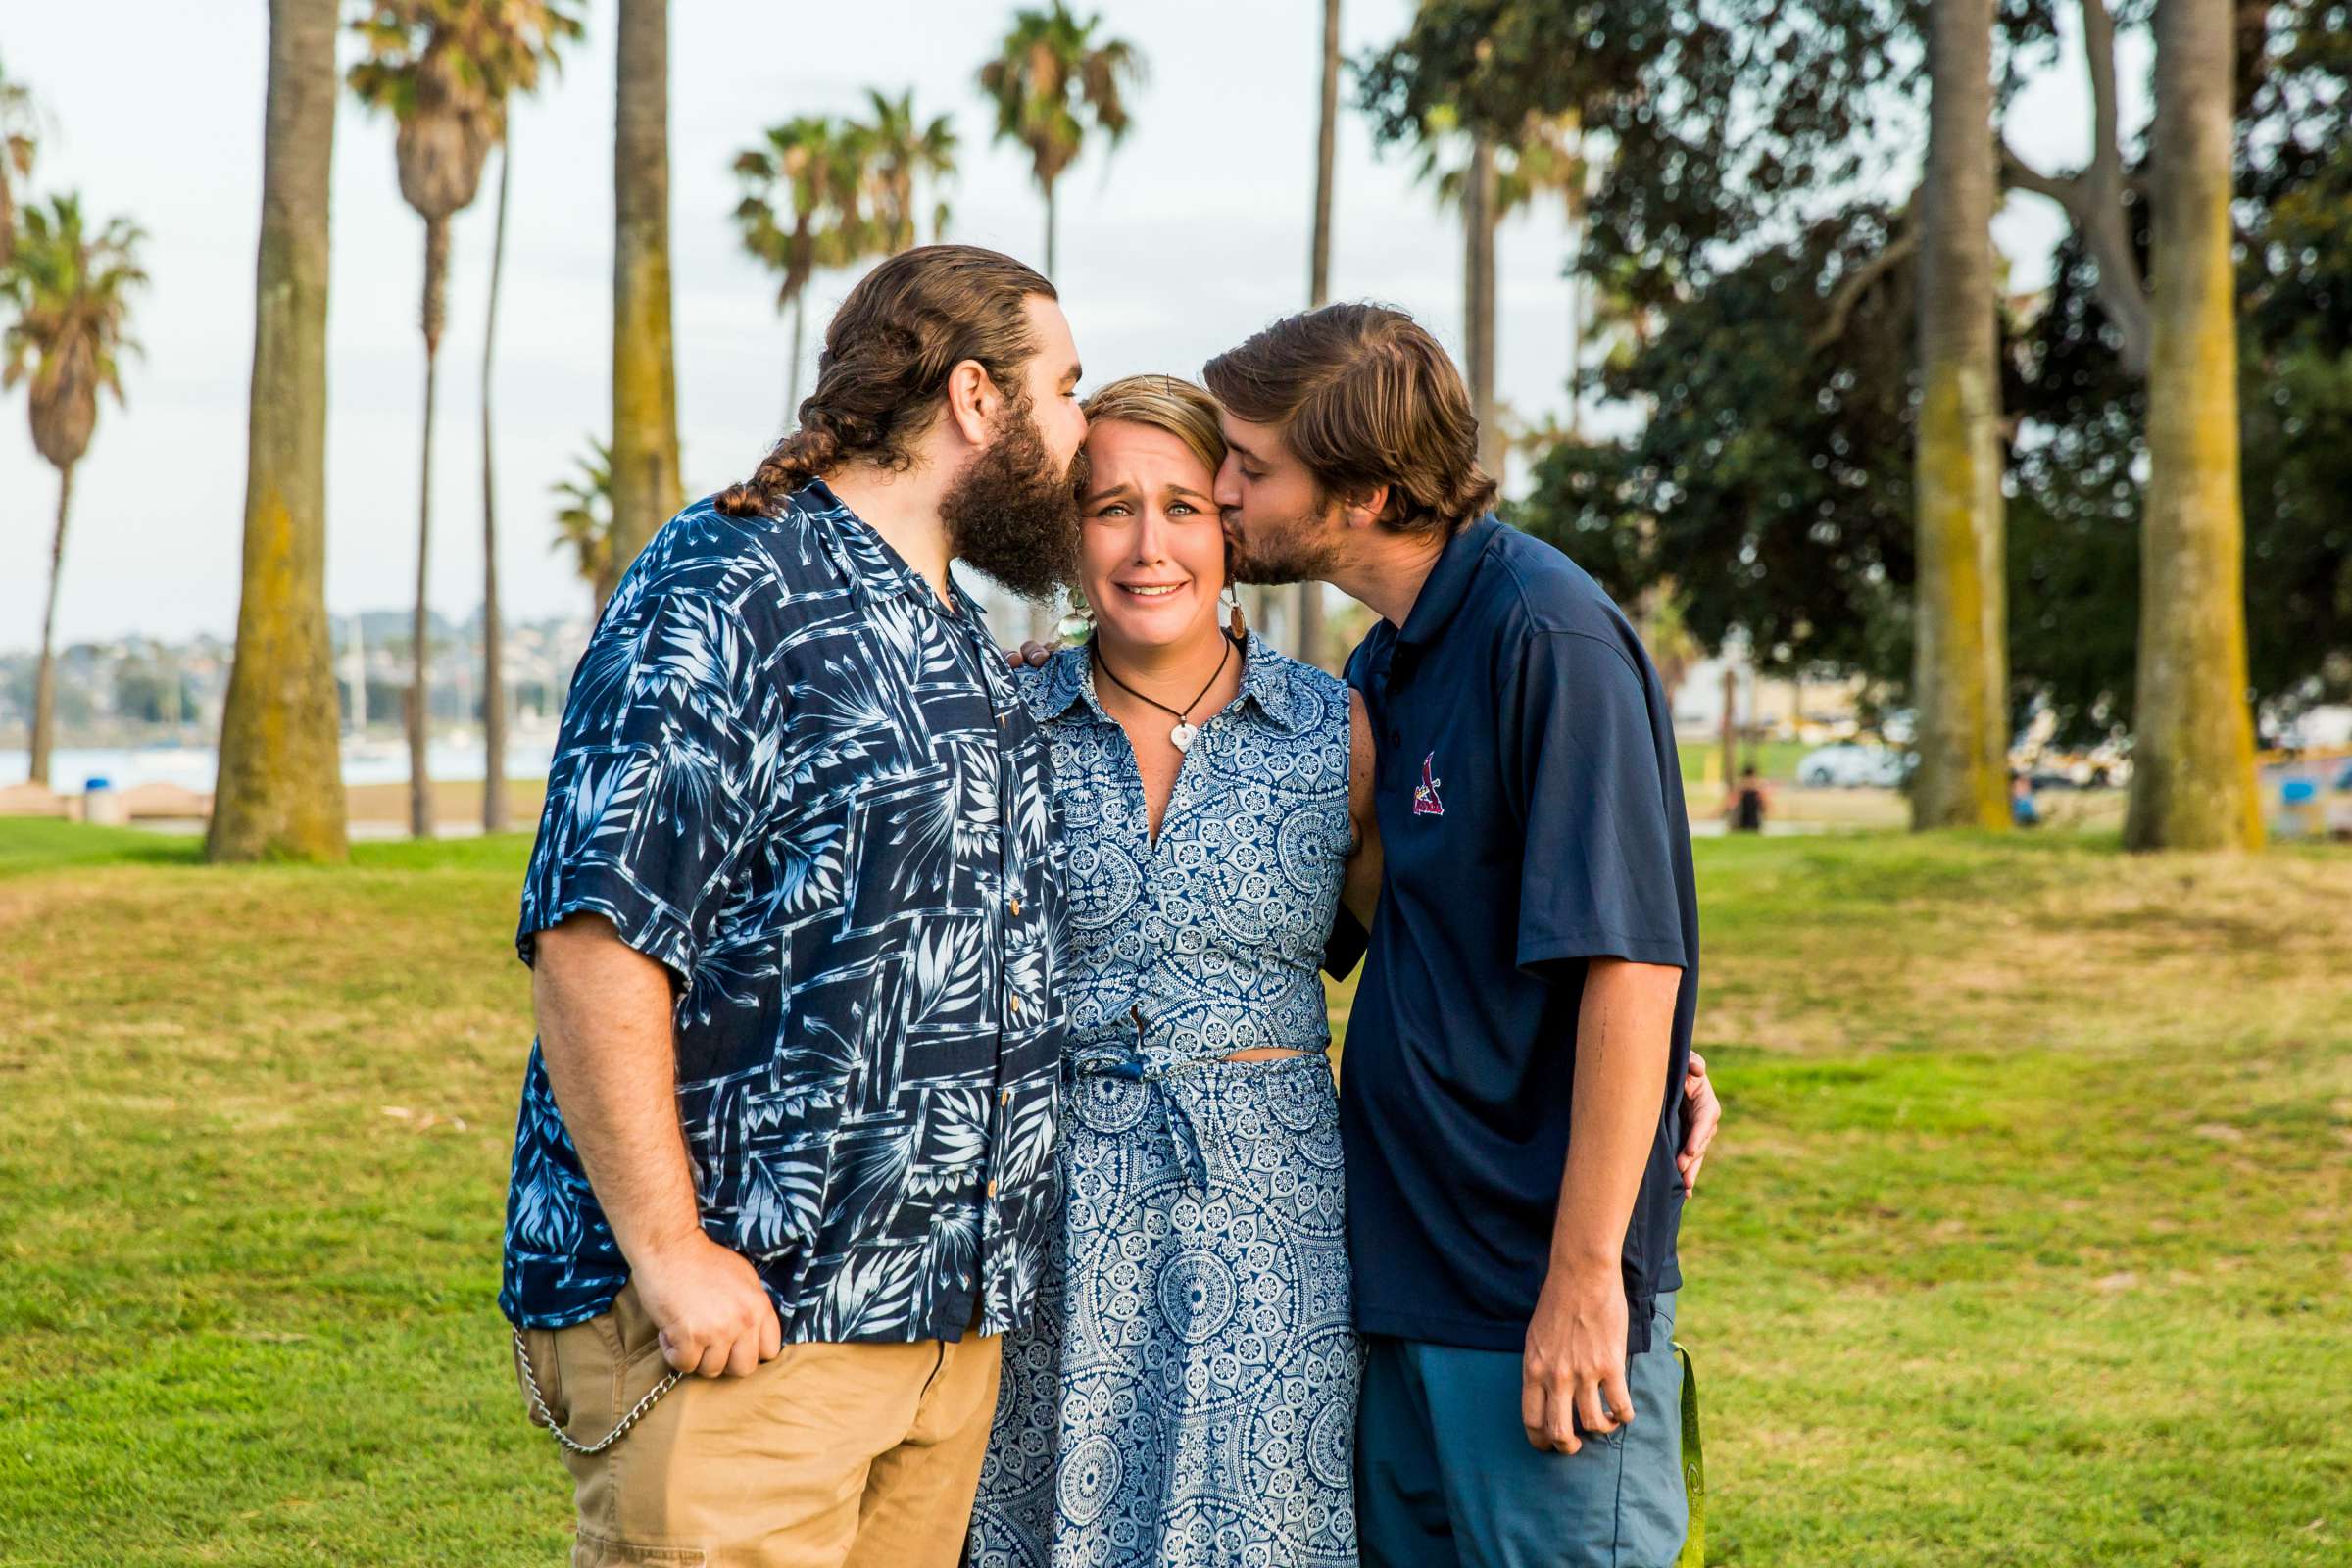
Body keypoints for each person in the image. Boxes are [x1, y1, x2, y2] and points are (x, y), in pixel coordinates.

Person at [499, 245, 1088, 1568]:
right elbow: (597, 930)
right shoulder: (727, 583)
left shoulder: (951, 625)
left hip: (936, 1337)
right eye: (1070, 388)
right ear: (980, 401)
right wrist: (671, 1252)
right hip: (750, 1333)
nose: (1086, 428)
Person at [1208, 303, 1705, 1568]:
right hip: (1398, 1277)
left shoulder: (1547, 635)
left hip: (1528, 1298)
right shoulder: (1384, 669)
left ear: (1366, 492)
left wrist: (1589, 1279)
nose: (1219, 494)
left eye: (1249, 467)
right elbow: (1388, 921)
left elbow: (1632, 965)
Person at [962, 373, 1375, 1564]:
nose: (1151, 545)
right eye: (1111, 508)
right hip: (1048, 1212)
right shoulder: (1004, 722)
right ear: (1066, 534)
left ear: (1230, 529)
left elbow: (1433, 959)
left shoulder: (1332, 731)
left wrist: (1661, 1059)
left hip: (1274, 1212)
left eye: (1184, 506)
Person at [1729, 763, 1769, 833]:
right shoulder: (1741, 790)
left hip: (1753, 824)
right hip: (1742, 823)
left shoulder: (1756, 790)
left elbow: (1765, 806)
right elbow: (1731, 805)